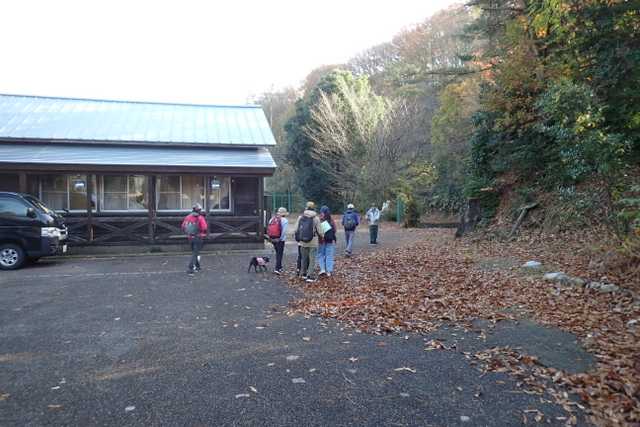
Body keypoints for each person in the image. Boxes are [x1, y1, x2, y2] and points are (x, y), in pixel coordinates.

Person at [296, 201, 324, 283]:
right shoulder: (316, 218)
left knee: (303, 258)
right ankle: (310, 275)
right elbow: (320, 231)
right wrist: (322, 236)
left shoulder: (301, 217)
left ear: (306, 207)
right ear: (313, 208)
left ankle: (303, 274)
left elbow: (296, 229)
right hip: (313, 241)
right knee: (312, 259)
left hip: (302, 241)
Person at [181, 203, 208, 275]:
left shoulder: (187, 217)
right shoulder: (200, 218)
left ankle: (198, 266)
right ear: (199, 210)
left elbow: (183, 226)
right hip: (198, 237)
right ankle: (190, 268)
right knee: (195, 253)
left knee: (195, 252)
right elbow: (204, 227)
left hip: (190, 237)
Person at [317, 206, 337, 277]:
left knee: (320, 254)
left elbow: (317, 230)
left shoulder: (320, 220)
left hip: (321, 240)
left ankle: (322, 269)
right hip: (329, 240)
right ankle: (329, 271)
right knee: (329, 255)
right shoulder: (331, 220)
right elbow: (335, 230)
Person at [267, 207, 288, 274]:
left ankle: (280, 267)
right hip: (280, 239)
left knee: (277, 252)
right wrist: (280, 238)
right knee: (279, 254)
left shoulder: (272, 219)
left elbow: (268, 228)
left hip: (273, 238)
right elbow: (284, 231)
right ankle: (277, 268)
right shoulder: (284, 220)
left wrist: (270, 238)